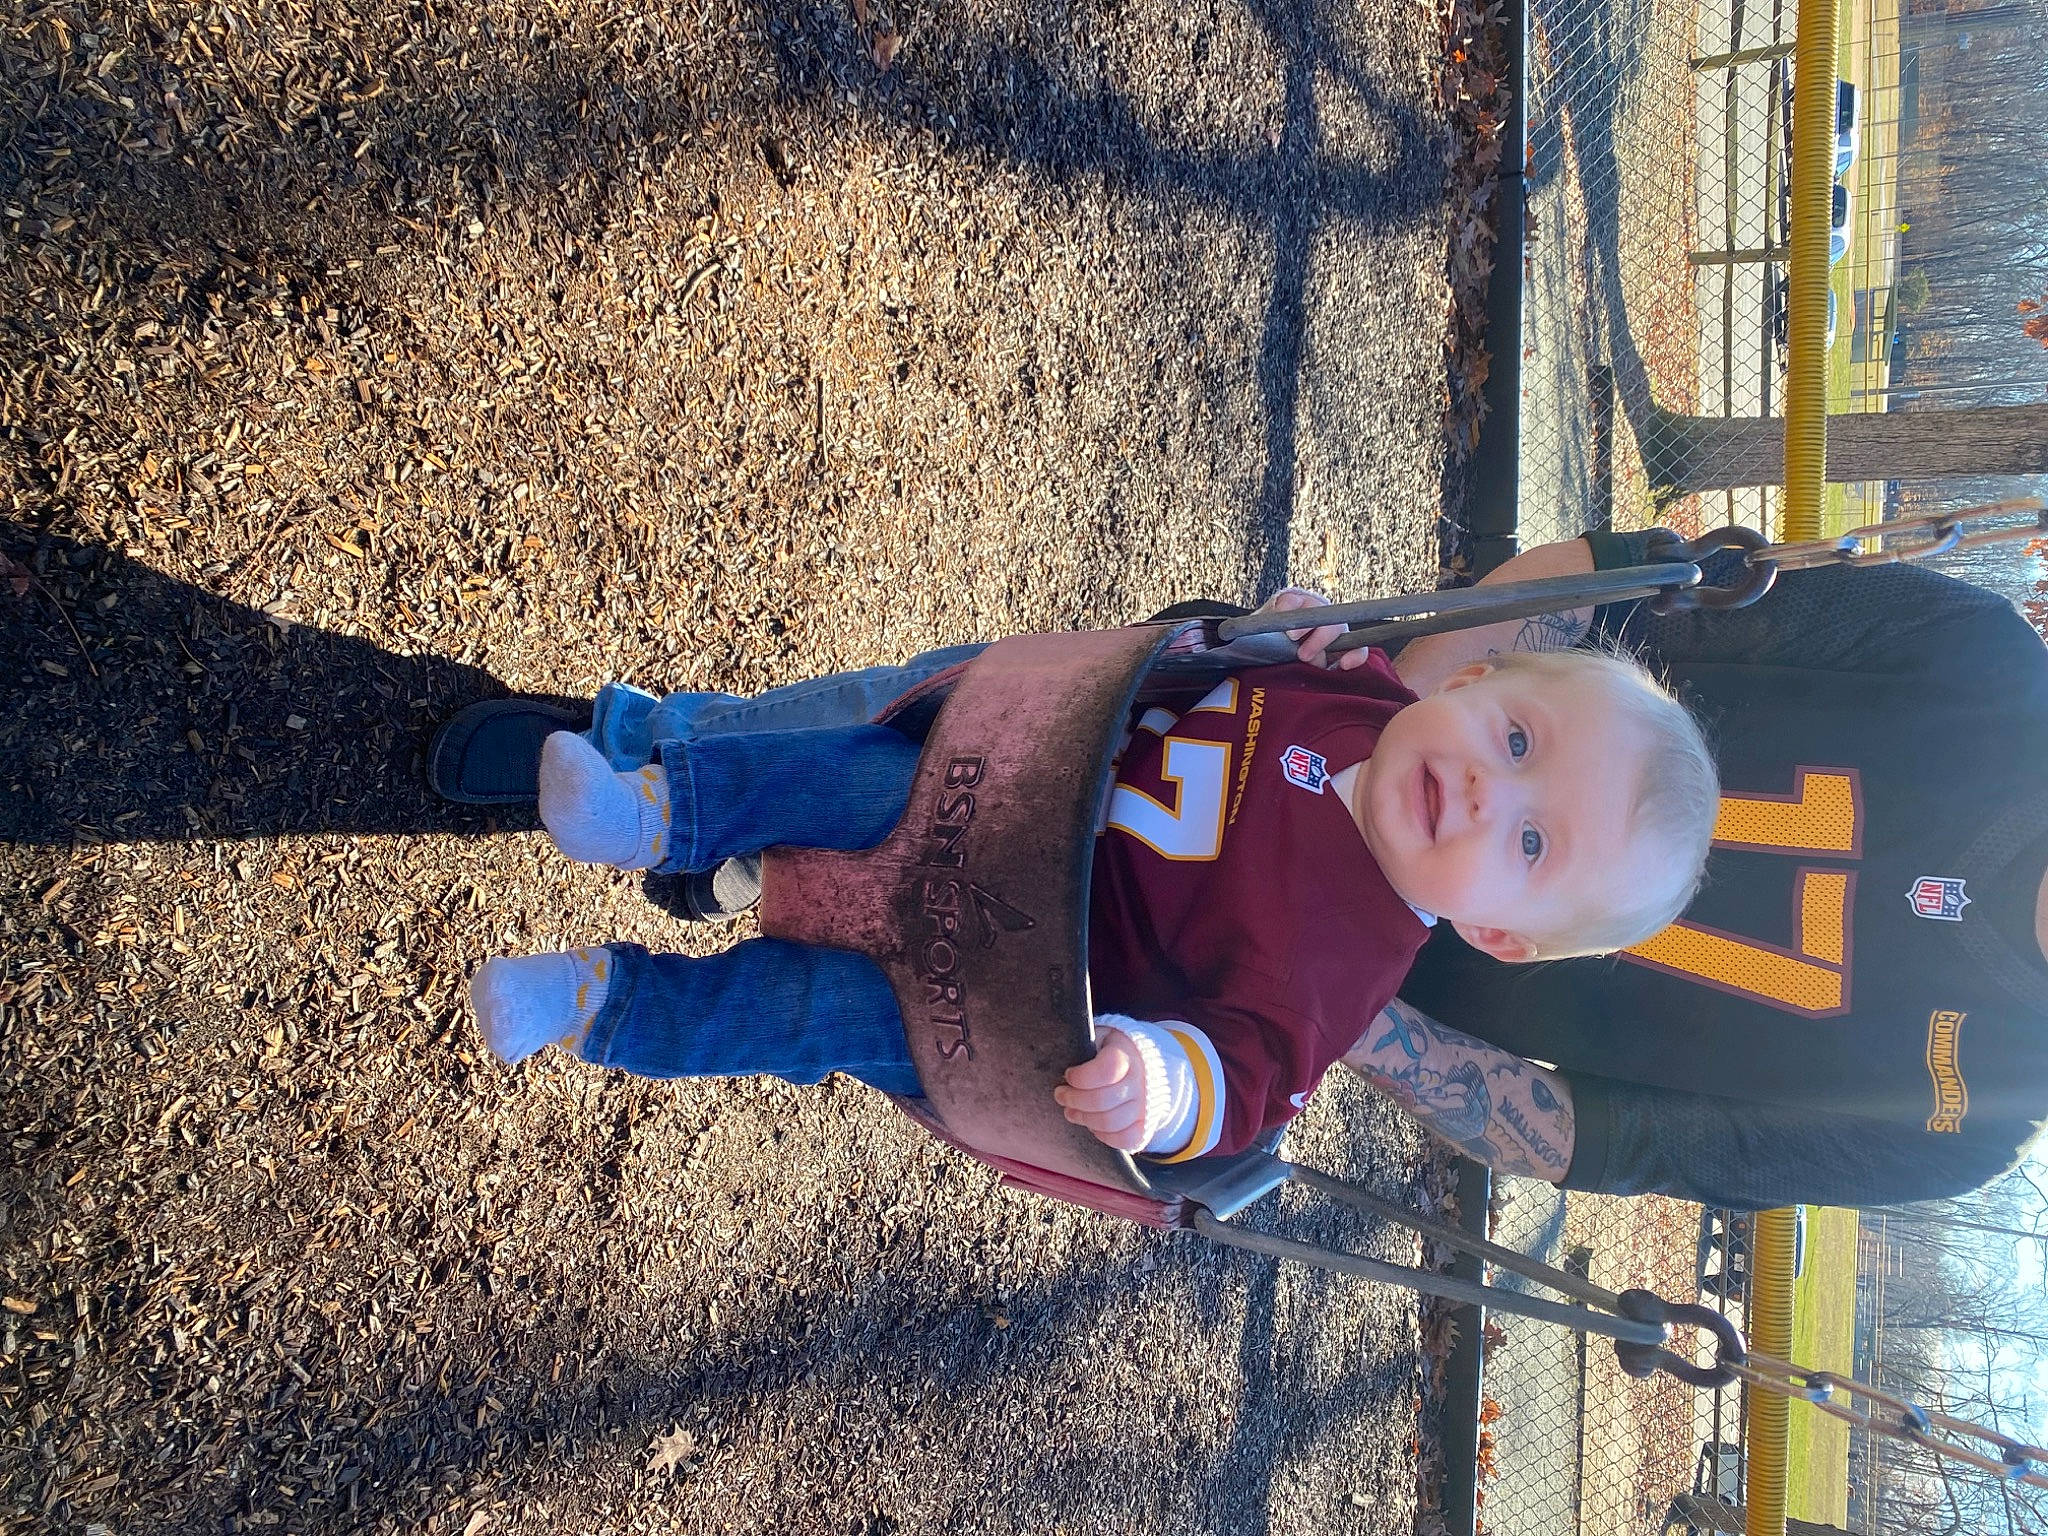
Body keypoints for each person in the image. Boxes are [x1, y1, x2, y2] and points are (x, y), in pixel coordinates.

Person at [463, 642, 1718, 1162]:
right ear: (1480, 677)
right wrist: (1284, 635)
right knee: (855, 775)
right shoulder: (1365, 700)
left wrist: (1161, 1084)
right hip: (986, 802)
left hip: (986, 992)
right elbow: (1223, 667)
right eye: (1513, 738)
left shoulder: (1349, 967)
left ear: (1495, 935)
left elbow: (1248, 1086)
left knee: (805, 1014)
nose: (1487, 795)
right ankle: (654, 812)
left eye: (1532, 841)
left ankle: (595, 1003)